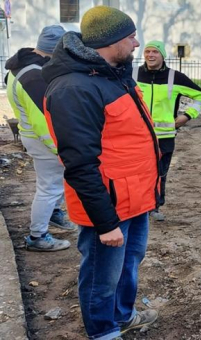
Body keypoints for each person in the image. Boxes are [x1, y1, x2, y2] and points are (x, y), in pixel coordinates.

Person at [42, 6, 160, 339]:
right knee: (101, 276)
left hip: (134, 199)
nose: (137, 44)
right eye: (131, 37)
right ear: (109, 42)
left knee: (129, 265)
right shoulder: (73, 89)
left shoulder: (113, 74)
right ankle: (103, 331)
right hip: (107, 206)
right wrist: (105, 222)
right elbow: (79, 165)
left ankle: (122, 316)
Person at [5, 25, 76, 252]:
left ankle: (54, 213)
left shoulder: (22, 67)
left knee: (52, 185)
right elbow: (42, 119)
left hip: (33, 136)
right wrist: (60, 148)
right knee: (49, 188)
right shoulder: (34, 76)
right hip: (44, 140)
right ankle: (37, 236)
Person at [133, 40, 201, 222]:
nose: (150, 55)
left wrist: (186, 116)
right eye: (147, 51)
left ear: (162, 55)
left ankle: (154, 206)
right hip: (137, 135)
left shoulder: (175, 78)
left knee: (159, 173)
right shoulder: (132, 74)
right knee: (136, 172)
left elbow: (200, 97)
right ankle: (137, 206)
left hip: (164, 136)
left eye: (155, 52)